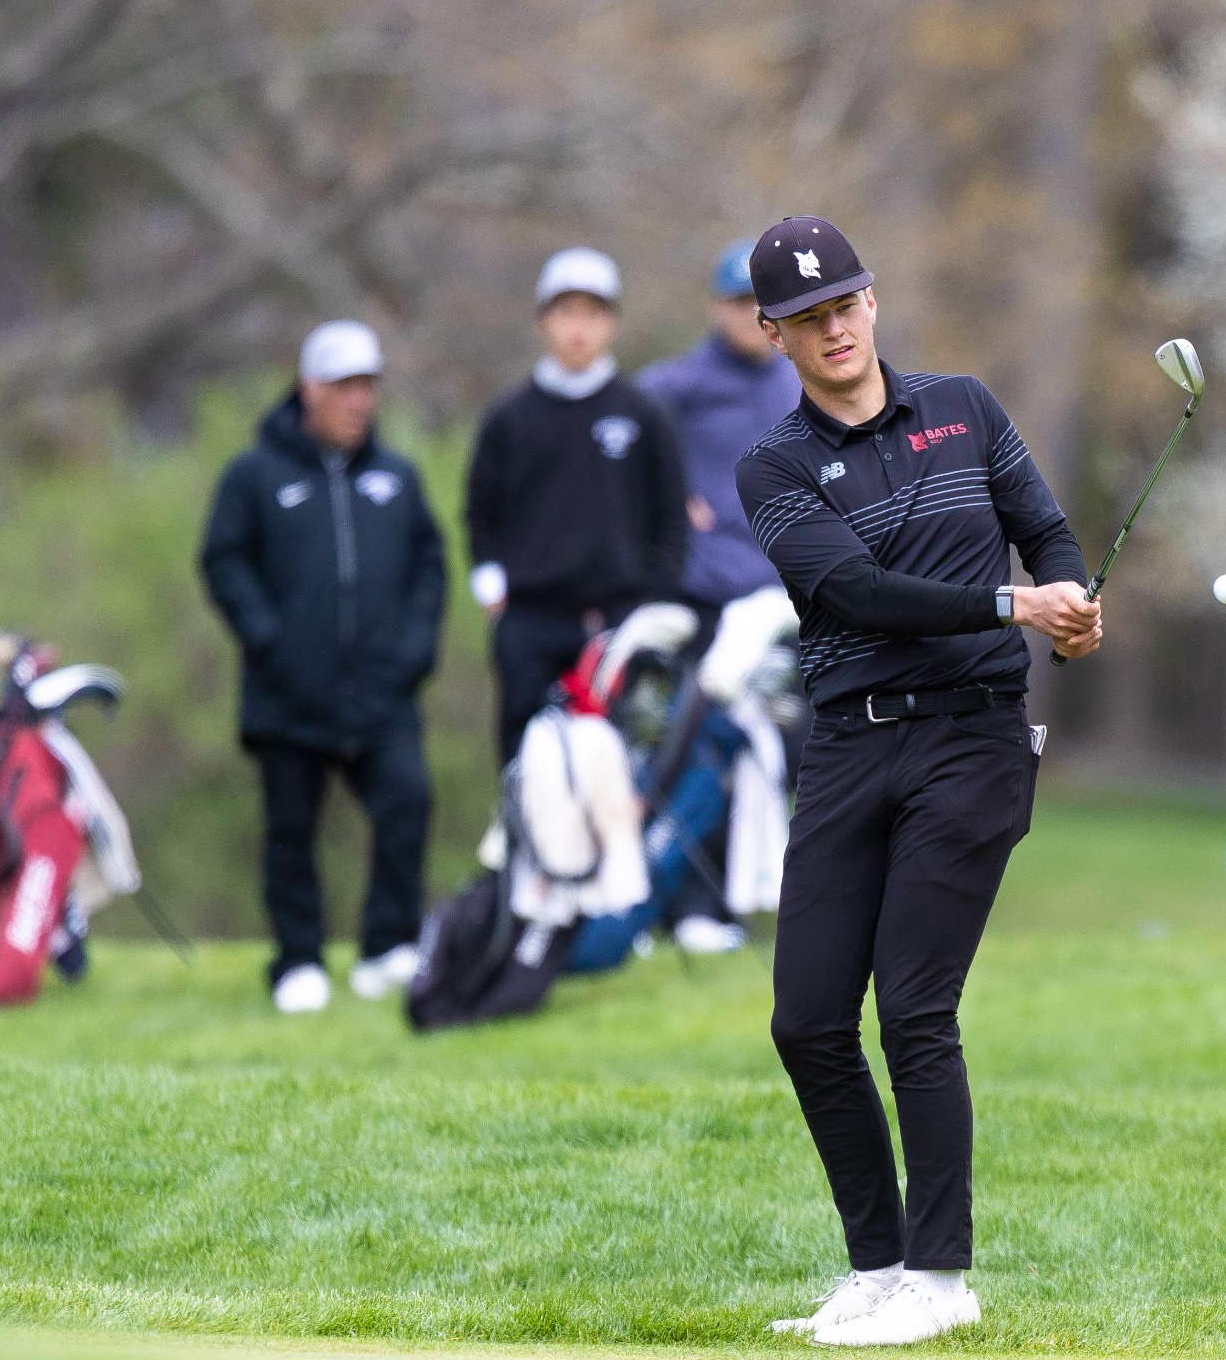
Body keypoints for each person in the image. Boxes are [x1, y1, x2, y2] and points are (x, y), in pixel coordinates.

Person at [734, 216, 1100, 1347]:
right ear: (773, 335)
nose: (832, 327)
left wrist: (1073, 599)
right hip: (850, 744)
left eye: (844, 303)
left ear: (873, 300)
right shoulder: (773, 466)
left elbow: (1042, 530)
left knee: (913, 1007)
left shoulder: (966, 408)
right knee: (804, 1019)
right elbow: (851, 590)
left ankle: (940, 1280)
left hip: (970, 739)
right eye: (805, 318)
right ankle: (878, 1266)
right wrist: (1013, 605)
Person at [200, 321, 448, 1013]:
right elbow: (223, 561)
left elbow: (430, 565)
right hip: (289, 694)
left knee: (406, 802)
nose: (359, 401)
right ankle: (298, 960)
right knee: (290, 830)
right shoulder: (254, 475)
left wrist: (415, 648)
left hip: (383, 692)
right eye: (344, 386)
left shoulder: (396, 479)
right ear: (309, 390)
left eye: (367, 386)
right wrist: (268, 639)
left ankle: (388, 946)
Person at [638, 238, 803, 955]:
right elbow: (614, 432)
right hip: (712, 604)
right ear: (717, 307)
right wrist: (665, 501)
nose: (751, 316)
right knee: (707, 751)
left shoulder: (798, 382)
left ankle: (730, 898)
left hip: (790, 602)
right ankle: (687, 904)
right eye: (739, 302)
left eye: (762, 304)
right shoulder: (678, 386)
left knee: (782, 751)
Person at [465, 247, 689, 765]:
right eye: (566, 312)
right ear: (545, 321)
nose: (578, 328)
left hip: (618, 623)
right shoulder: (509, 418)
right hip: (530, 623)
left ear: (611, 323)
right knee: (528, 771)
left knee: (620, 772)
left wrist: (650, 606)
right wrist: (492, 583)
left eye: (592, 313)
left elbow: (671, 520)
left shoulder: (644, 415)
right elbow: (482, 513)